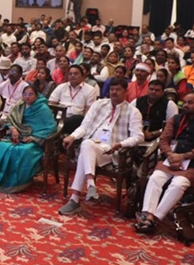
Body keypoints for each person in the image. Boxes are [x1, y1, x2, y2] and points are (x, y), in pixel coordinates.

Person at [134, 92, 194, 234]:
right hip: (171, 159)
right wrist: (170, 154)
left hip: (193, 164)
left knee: (178, 184)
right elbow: (164, 139)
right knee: (155, 178)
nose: (185, 105)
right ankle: (147, 214)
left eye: (190, 103)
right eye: (184, 102)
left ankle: (153, 218)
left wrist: (184, 156)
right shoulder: (176, 119)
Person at [58, 77, 144, 215]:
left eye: (118, 90)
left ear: (125, 92)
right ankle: (90, 184)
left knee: (84, 151)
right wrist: (72, 136)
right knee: (86, 144)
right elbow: (84, 126)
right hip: (92, 146)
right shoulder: (99, 104)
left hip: (112, 151)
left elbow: (139, 136)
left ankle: (75, 199)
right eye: (112, 89)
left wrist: (121, 144)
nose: (114, 92)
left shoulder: (133, 112)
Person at [0, 85, 59, 193]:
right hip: (18, 135)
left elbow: (51, 128)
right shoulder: (20, 104)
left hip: (35, 140)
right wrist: (13, 129)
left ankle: (17, 183)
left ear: (36, 95)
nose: (27, 97)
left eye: (30, 94)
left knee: (22, 150)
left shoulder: (43, 108)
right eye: (25, 94)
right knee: (3, 146)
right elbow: (10, 119)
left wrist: (33, 138)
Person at [49, 64, 98, 133]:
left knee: (78, 119)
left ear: (82, 76)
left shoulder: (90, 90)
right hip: (59, 117)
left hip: (76, 120)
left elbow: (88, 112)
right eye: (70, 74)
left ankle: (58, 132)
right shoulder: (61, 87)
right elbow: (51, 104)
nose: (72, 75)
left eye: (76, 74)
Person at [135, 79, 179, 143]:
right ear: (147, 90)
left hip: (159, 138)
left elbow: (172, 126)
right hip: (137, 135)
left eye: (157, 90)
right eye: (151, 89)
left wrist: (153, 134)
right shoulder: (137, 101)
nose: (153, 92)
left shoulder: (170, 105)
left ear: (162, 92)